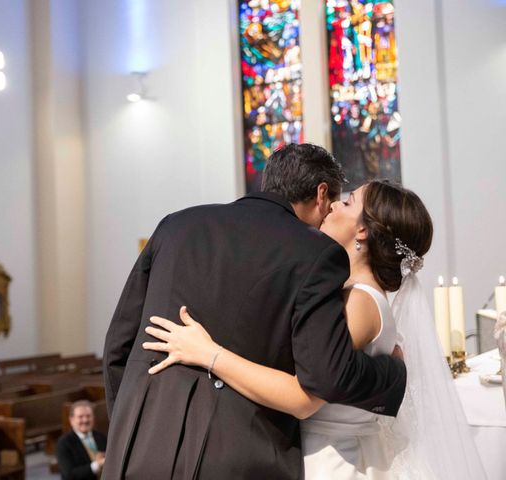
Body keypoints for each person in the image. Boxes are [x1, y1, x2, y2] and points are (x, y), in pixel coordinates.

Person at [102, 143, 406, 479]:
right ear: (321, 194)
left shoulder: (175, 225)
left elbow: (119, 343)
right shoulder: (316, 253)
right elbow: (325, 375)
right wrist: (393, 374)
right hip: (241, 454)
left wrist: (126, 427)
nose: (330, 215)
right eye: (334, 202)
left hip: (139, 445)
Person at [145, 180, 486, 479]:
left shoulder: (361, 302)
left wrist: (209, 353)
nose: (335, 204)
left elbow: (302, 397)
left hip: (332, 462)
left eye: (349, 201)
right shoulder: (352, 294)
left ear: (363, 231)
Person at [56, 401, 107, 480]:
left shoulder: (101, 437)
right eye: (80, 417)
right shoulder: (63, 443)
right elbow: (69, 474)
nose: (85, 420)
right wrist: (97, 465)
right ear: (71, 420)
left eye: (88, 416)